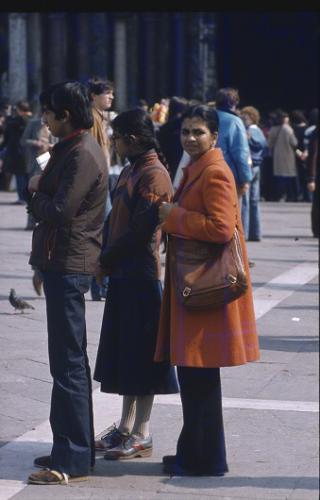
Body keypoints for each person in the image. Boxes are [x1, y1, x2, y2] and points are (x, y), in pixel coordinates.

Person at [154, 104, 259, 477]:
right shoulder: (198, 168)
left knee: (199, 375)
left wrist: (174, 217)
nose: (190, 138)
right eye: (186, 132)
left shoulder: (214, 171)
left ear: (214, 136)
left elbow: (220, 228)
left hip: (205, 286)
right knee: (193, 375)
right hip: (193, 282)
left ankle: (207, 459)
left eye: (198, 132)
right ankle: (194, 451)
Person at [26, 81, 108, 485]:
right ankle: (71, 445)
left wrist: (34, 194)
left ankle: (72, 458)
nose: (45, 118)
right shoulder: (72, 148)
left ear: (67, 116)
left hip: (70, 262)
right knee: (67, 360)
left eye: (49, 112)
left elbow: (59, 210)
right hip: (63, 261)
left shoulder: (82, 153)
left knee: (69, 363)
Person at [93, 108, 179, 460]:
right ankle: (125, 426)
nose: (112, 141)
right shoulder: (132, 168)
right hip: (124, 274)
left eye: (116, 136)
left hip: (141, 274)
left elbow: (142, 229)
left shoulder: (155, 174)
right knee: (127, 354)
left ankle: (142, 430)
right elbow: (116, 217)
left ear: (133, 137)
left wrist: (106, 259)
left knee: (145, 357)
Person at [87, 76, 115, 300]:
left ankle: (99, 285)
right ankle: (101, 284)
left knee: (103, 231)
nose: (111, 97)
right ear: (93, 96)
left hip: (100, 180)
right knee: (107, 230)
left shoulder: (99, 117)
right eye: (107, 93)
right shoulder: (90, 118)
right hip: (97, 183)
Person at [215, 88, 252, 208]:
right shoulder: (234, 121)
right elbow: (240, 153)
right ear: (233, 103)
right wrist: (245, 178)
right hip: (228, 176)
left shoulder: (208, 117)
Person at [240, 106, 268, 241]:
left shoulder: (249, 132)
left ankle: (244, 232)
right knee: (254, 200)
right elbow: (263, 147)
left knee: (245, 200)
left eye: (245, 117)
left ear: (251, 118)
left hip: (249, 165)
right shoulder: (260, 131)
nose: (242, 119)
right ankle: (256, 232)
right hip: (258, 166)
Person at [1, 100, 32, 203]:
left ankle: (22, 197)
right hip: (28, 151)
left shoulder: (20, 120)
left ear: (19, 109)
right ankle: (26, 196)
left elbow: (9, 127)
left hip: (20, 152)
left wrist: (9, 115)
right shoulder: (33, 120)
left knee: (20, 175)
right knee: (26, 175)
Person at [268, 109, 298, 202]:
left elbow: (269, 144)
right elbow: (294, 142)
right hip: (288, 156)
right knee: (288, 177)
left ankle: (279, 196)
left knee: (279, 177)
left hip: (277, 156)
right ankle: (289, 196)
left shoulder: (273, 129)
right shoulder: (288, 129)